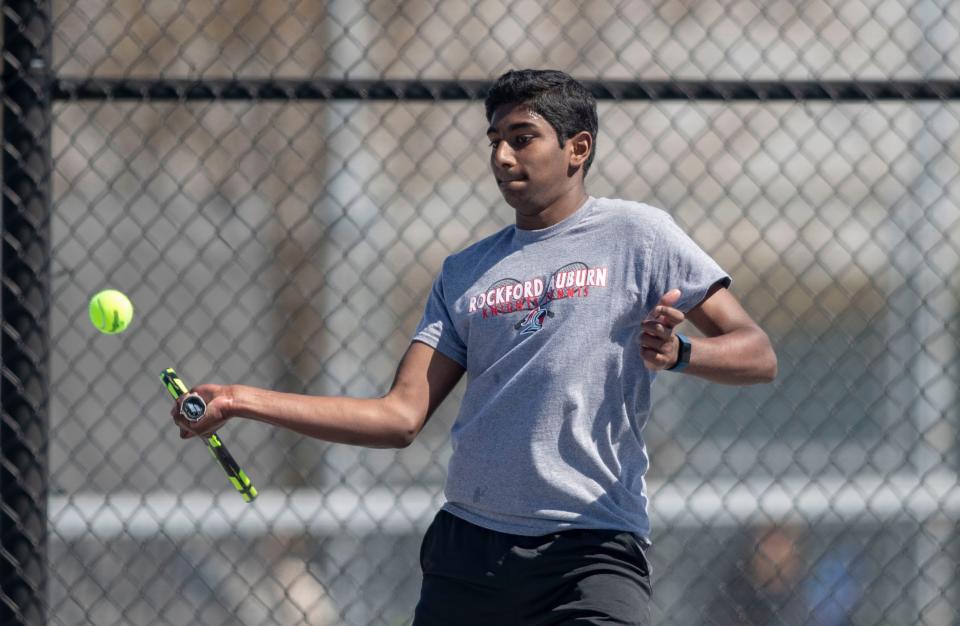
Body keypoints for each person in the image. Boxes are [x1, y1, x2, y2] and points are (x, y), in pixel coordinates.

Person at [171, 69, 777, 625]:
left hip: (591, 552)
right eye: (494, 140)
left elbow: (757, 353)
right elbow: (399, 417)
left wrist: (682, 355)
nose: (503, 155)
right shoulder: (464, 272)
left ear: (578, 149)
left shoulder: (639, 234)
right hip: (471, 552)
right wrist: (241, 399)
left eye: (523, 137)